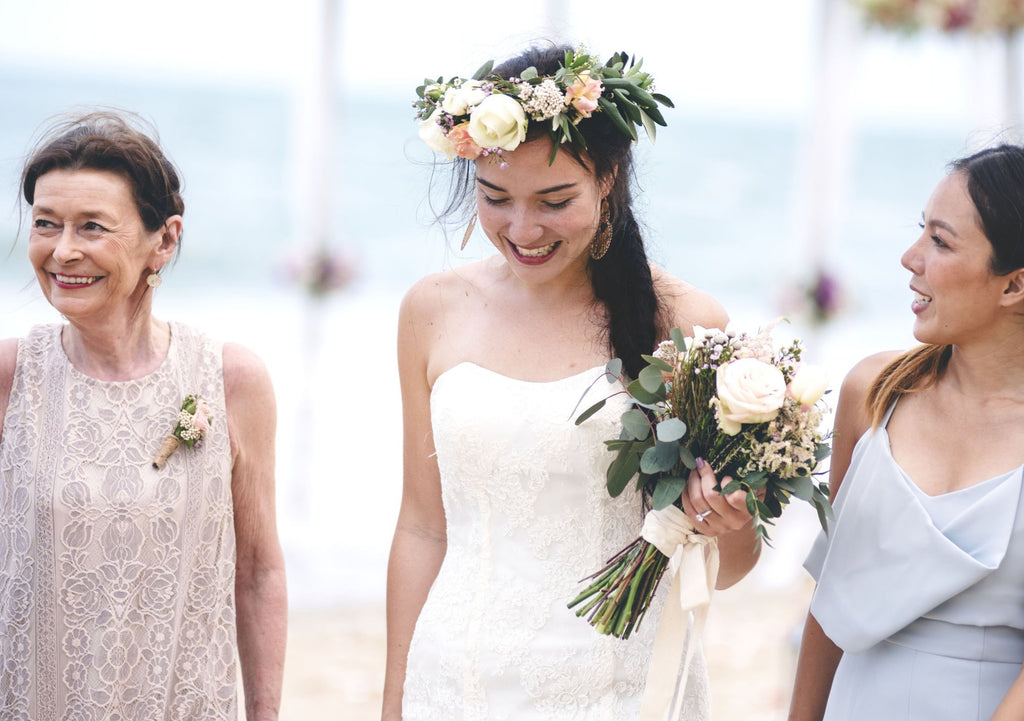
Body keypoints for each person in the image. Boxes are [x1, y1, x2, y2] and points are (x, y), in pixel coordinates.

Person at [383, 45, 762, 720]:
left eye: (554, 201)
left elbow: (727, 565)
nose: (522, 229)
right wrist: (396, 699)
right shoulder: (431, 311)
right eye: (496, 198)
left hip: (620, 688)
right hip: (456, 681)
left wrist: (726, 520)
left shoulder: (685, 324)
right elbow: (421, 527)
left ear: (608, 178)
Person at [0, 112, 287, 720]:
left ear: (165, 239)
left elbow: (258, 573)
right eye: (45, 224)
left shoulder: (230, 381)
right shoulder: (11, 375)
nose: (63, 250)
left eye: (93, 227)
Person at [790, 145, 1024, 721]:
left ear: (1014, 285)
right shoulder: (872, 393)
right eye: (921, 231)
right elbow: (831, 600)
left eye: (940, 242)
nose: (909, 257)